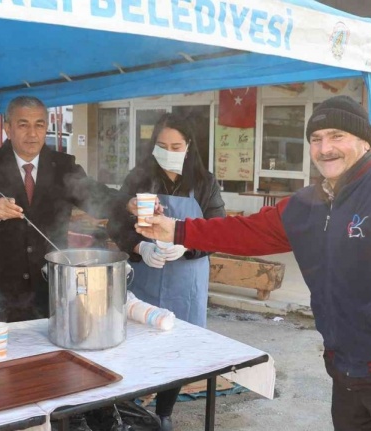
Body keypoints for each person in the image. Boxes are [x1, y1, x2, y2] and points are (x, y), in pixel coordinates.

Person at [134, 95, 371, 431]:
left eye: (337, 136)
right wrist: (177, 229)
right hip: (347, 373)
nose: (325, 148)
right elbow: (245, 232)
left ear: (364, 141)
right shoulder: (307, 205)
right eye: (316, 139)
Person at [0, 96, 123, 322]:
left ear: (46, 127)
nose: (32, 134)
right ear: (8, 128)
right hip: (3, 295)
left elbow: (97, 197)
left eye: (39, 125)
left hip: (52, 291)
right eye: (23, 125)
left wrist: (128, 203)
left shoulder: (63, 166)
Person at [107, 113, 225, 431]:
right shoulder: (139, 179)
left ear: (188, 147)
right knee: (138, 343)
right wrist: (140, 248)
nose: (168, 150)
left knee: (177, 350)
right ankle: (131, 411)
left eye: (175, 145)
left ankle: (164, 413)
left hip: (186, 282)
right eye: (162, 145)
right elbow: (117, 224)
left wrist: (185, 245)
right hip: (145, 276)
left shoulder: (205, 183)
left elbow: (217, 230)